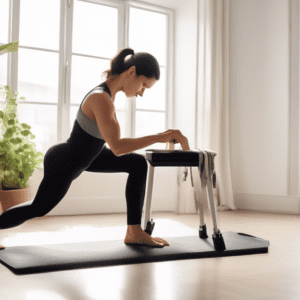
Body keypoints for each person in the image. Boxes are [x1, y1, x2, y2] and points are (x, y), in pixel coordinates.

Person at [0, 47, 190, 250]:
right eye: (143, 85)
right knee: (38, 208)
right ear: (131, 71)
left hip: (90, 156)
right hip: (65, 161)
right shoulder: (101, 98)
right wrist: (161, 137)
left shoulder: (109, 95)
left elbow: (108, 144)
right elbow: (117, 147)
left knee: (137, 163)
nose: (141, 92)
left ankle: (134, 231)